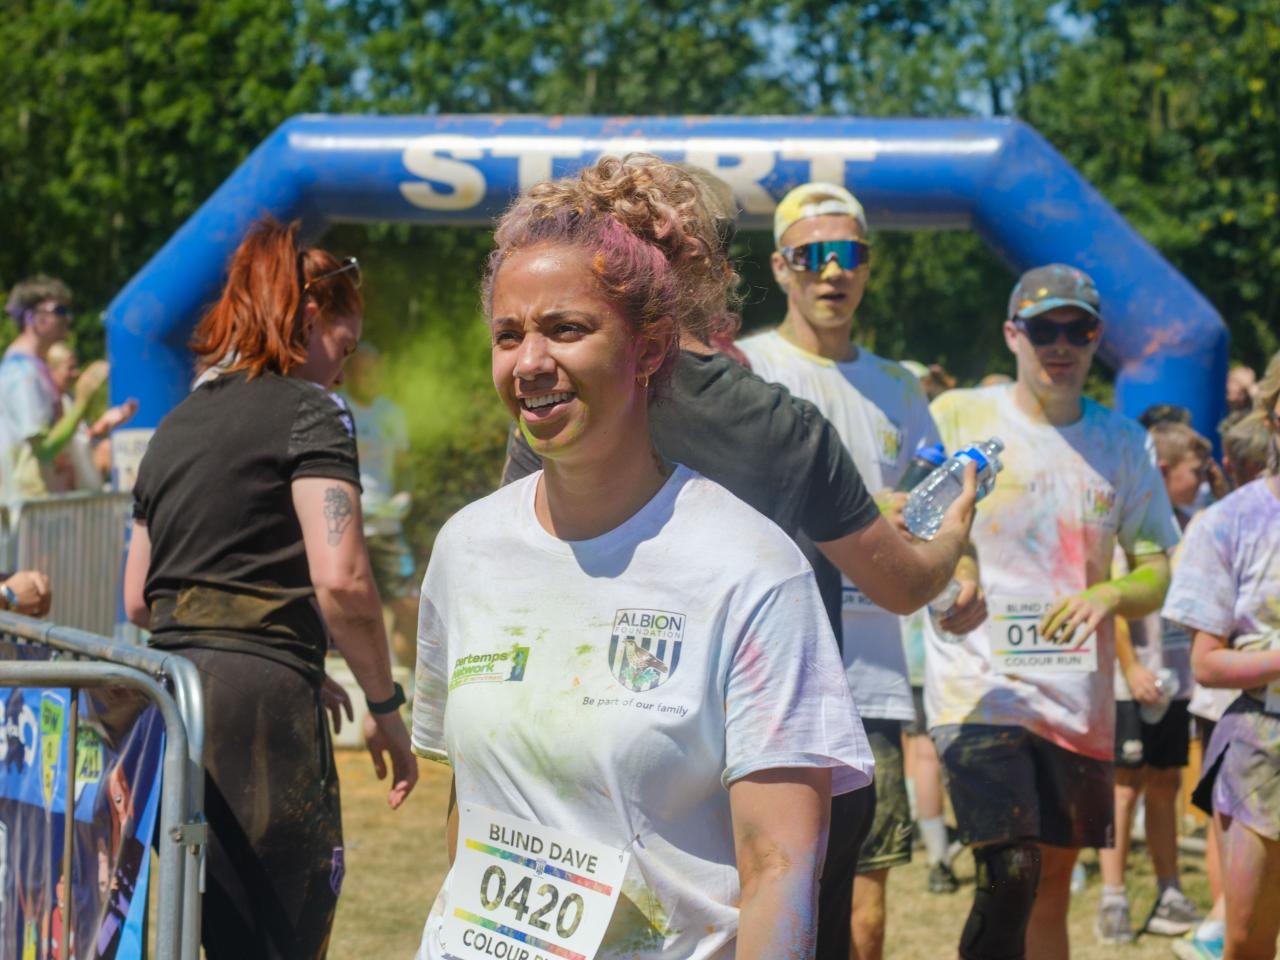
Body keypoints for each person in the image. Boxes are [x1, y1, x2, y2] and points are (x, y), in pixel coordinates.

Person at [414, 154, 969, 960]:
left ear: (649, 344)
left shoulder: (754, 567)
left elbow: (777, 866)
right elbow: (478, 807)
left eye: (567, 327)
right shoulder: (469, 545)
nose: (531, 361)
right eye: (509, 334)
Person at [122, 217, 418, 960]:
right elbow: (343, 580)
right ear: (311, 318)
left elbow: (138, 597)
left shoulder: (175, 426)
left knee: (205, 935)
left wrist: (278, 650)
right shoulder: (312, 411)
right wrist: (384, 707)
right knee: (275, 940)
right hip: (255, 724)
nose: (342, 372)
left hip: (171, 710)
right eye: (342, 350)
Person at [736, 182, 985, 959]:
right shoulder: (746, 369)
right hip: (766, 678)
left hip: (869, 684)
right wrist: (864, 507)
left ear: (868, 268)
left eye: (850, 256)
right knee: (769, 896)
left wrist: (963, 569)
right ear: (780, 268)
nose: (832, 273)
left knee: (862, 922)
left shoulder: (899, 388)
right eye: (813, 256)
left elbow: (943, 502)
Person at [923, 264, 1180, 960]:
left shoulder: (1124, 443)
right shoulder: (958, 418)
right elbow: (906, 519)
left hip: (1079, 704)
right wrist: (960, 572)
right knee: (1010, 872)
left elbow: (1159, 572)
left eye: (1079, 329)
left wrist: (1107, 595)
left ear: (1099, 338)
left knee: (1053, 884)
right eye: (1044, 329)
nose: (1061, 344)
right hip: (979, 691)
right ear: (1014, 334)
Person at [1163, 351, 1280, 960]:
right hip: (1263, 744)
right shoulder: (1230, 522)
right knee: (1247, 941)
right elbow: (1206, 664)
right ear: (1272, 416)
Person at [1096, 422, 1212, 943]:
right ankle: (1113, 897)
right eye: (1196, 471)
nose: (1203, 478)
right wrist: (1132, 669)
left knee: (1166, 785)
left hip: (1177, 683)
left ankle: (1169, 890)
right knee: (1124, 788)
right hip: (1130, 684)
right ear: (1163, 470)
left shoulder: (1193, 525)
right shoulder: (1134, 523)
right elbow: (1114, 602)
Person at [1, 276, 110, 503]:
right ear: (32, 317)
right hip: (28, 516)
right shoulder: (22, 375)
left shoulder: (35, 369)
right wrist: (83, 400)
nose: (67, 319)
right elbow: (45, 450)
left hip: (42, 511)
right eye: (59, 310)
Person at [342, 343, 417, 668]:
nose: (370, 376)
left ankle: (411, 684)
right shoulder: (338, 408)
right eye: (363, 369)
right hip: (346, 527)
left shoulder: (391, 414)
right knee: (348, 609)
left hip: (386, 525)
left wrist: (406, 495)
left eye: (375, 369)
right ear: (350, 372)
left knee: (408, 603)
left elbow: (406, 465)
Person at [44, 341, 137, 491]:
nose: (76, 373)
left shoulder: (67, 401)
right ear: (52, 369)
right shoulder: (48, 404)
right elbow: (55, 450)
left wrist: (101, 426)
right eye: (70, 368)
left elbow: (77, 442)